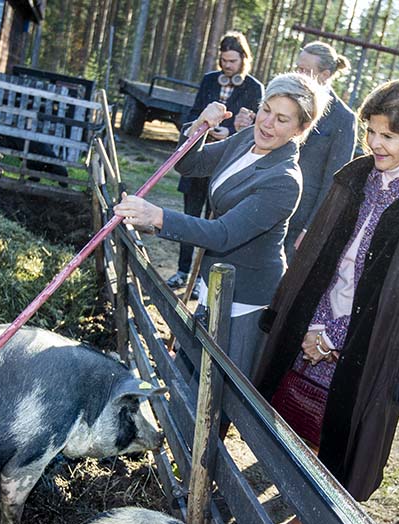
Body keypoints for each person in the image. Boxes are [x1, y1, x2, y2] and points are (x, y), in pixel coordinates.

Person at [252, 79, 399, 524]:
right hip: (314, 325)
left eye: (388, 136)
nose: (376, 144)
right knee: (300, 432)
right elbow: (315, 258)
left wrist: (342, 341)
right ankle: (304, 513)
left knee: (339, 444)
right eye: (371, 132)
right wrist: (301, 322)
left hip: (366, 347)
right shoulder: (355, 177)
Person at [116, 72, 326, 376]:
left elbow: (223, 234)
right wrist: (200, 128)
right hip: (214, 283)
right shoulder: (246, 139)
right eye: (266, 110)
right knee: (190, 378)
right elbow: (189, 164)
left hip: (245, 301)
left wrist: (157, 216)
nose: (267, 123)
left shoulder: (284, 180)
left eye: (282, 119)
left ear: (301, 128)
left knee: (219, 393)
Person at [167, 31, 264, 299]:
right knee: (188, 218)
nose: (227, 66)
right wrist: (203, 128)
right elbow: (193, 113)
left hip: (225, 167)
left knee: (214, 226)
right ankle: (182, 270)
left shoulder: (254, 88)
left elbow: (255, 129)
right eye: (223, 61)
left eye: (232, 61)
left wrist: (230, 131)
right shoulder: (210, 81)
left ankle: (201, 278)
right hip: (198, 159)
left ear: (244, 60)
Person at [285, 41, 356, 262]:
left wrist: (311, 228)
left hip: (300, 219)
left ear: (325, 75)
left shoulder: (343, 118)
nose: (298, 74)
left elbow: (335, 182)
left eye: (304, 70)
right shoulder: (284, 99)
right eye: (297, 68)